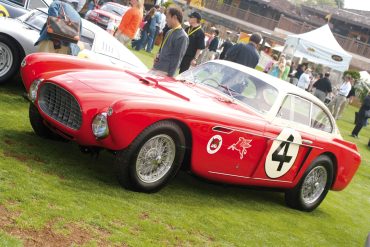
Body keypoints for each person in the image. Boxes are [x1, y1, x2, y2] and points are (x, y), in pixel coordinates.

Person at [152, 6, 188, 77]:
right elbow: (163, 50)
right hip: (156, 68)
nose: (166, 20)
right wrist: (158, 56)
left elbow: (177, 60)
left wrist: (169, 77)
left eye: (167, 17)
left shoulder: (182, 37)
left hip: (164, 72)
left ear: (174, 17)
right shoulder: (169, 32)